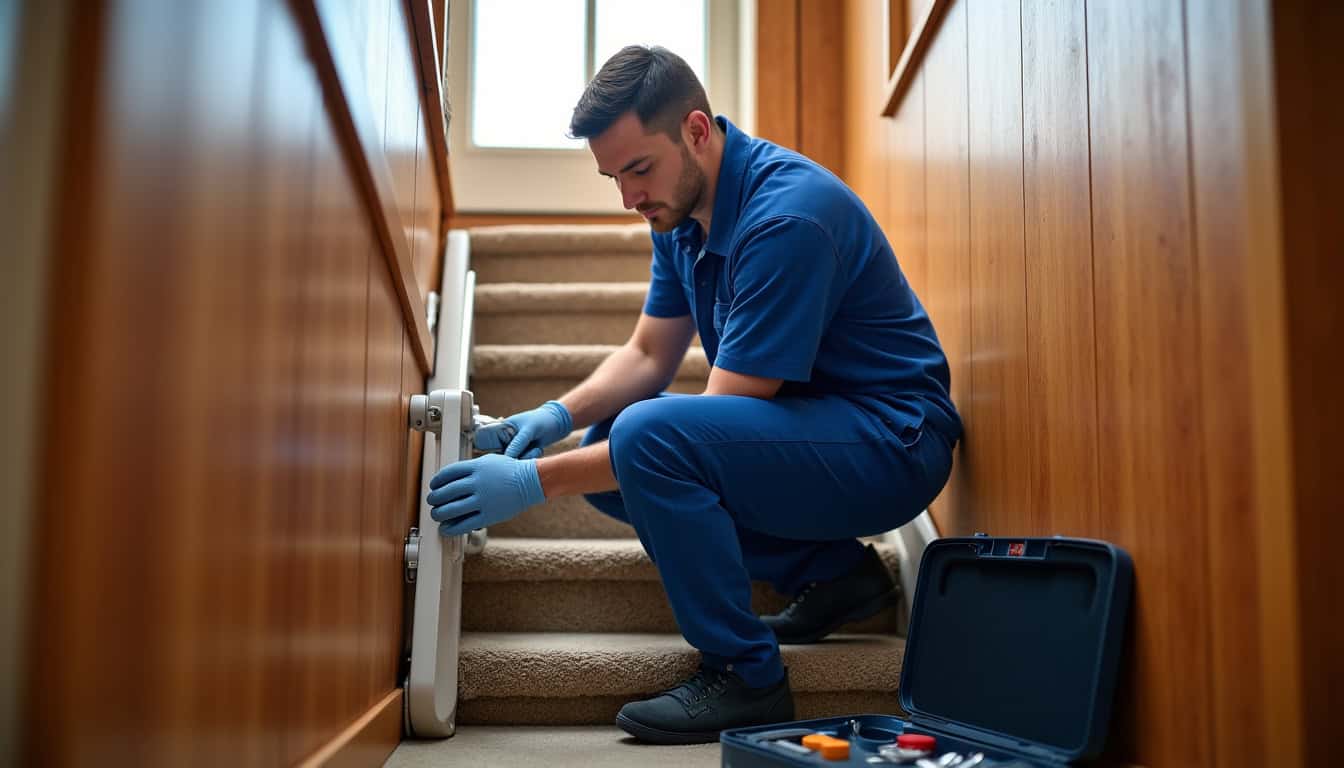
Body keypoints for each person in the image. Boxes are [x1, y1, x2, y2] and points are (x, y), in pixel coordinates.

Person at [426, 45, 962, 744]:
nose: (629, 198)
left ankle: (746, 676)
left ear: (697, 131)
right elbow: (650, 354)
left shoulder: (787, 219)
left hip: (893, 445)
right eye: (614, 177)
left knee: (645, 443)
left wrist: (533, 482)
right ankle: (836, 575)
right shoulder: (679, 215)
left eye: (639, 169)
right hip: (821, 429)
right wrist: (556, 416)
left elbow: (707, 423)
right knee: (611, 447)